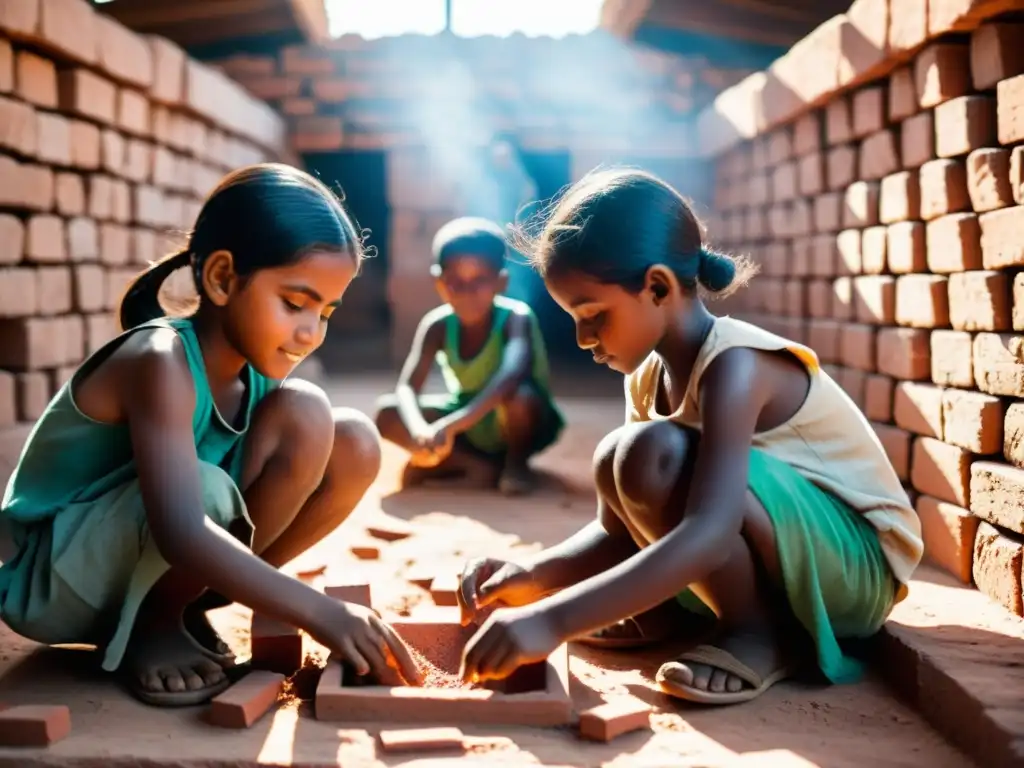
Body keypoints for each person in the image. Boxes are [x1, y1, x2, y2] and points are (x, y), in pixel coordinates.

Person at [455, 168, 923, 705]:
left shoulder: (736, 366)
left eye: (592, 315)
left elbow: (710, 528)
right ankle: (662, 613)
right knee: (624, 457)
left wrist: (552, 619)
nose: (583, 339)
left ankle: (756, 634)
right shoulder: (648, 375)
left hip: (855, 571)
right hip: (789, 550)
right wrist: (534, 574)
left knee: (648, 454)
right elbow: (620, 530)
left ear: (656, 287)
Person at [0, 163, 423, 707]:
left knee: (349, 437)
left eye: (326, 311)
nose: (309, 332)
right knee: (203, 491)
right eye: (295, 303)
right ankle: (153, 626)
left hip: (147, 552)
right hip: (53, 575)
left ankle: (181, 607)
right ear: (222, 278)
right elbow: (180, 526)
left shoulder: (260, 371)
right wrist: (321, 612)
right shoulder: (159, 360)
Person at [375, 216, 565, 495]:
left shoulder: (516, 318)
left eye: (479, 281)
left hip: (516, 422)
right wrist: (419, 431)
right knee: (388, 412)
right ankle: (474, 464)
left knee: (520, 398)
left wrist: (453, 424)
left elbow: (511, 375)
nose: (467, 293)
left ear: (501, 282)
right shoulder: (437, 325)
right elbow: (407, 387)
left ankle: (515, 464)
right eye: (455, 282)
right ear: (438, 282)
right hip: (466, 423)